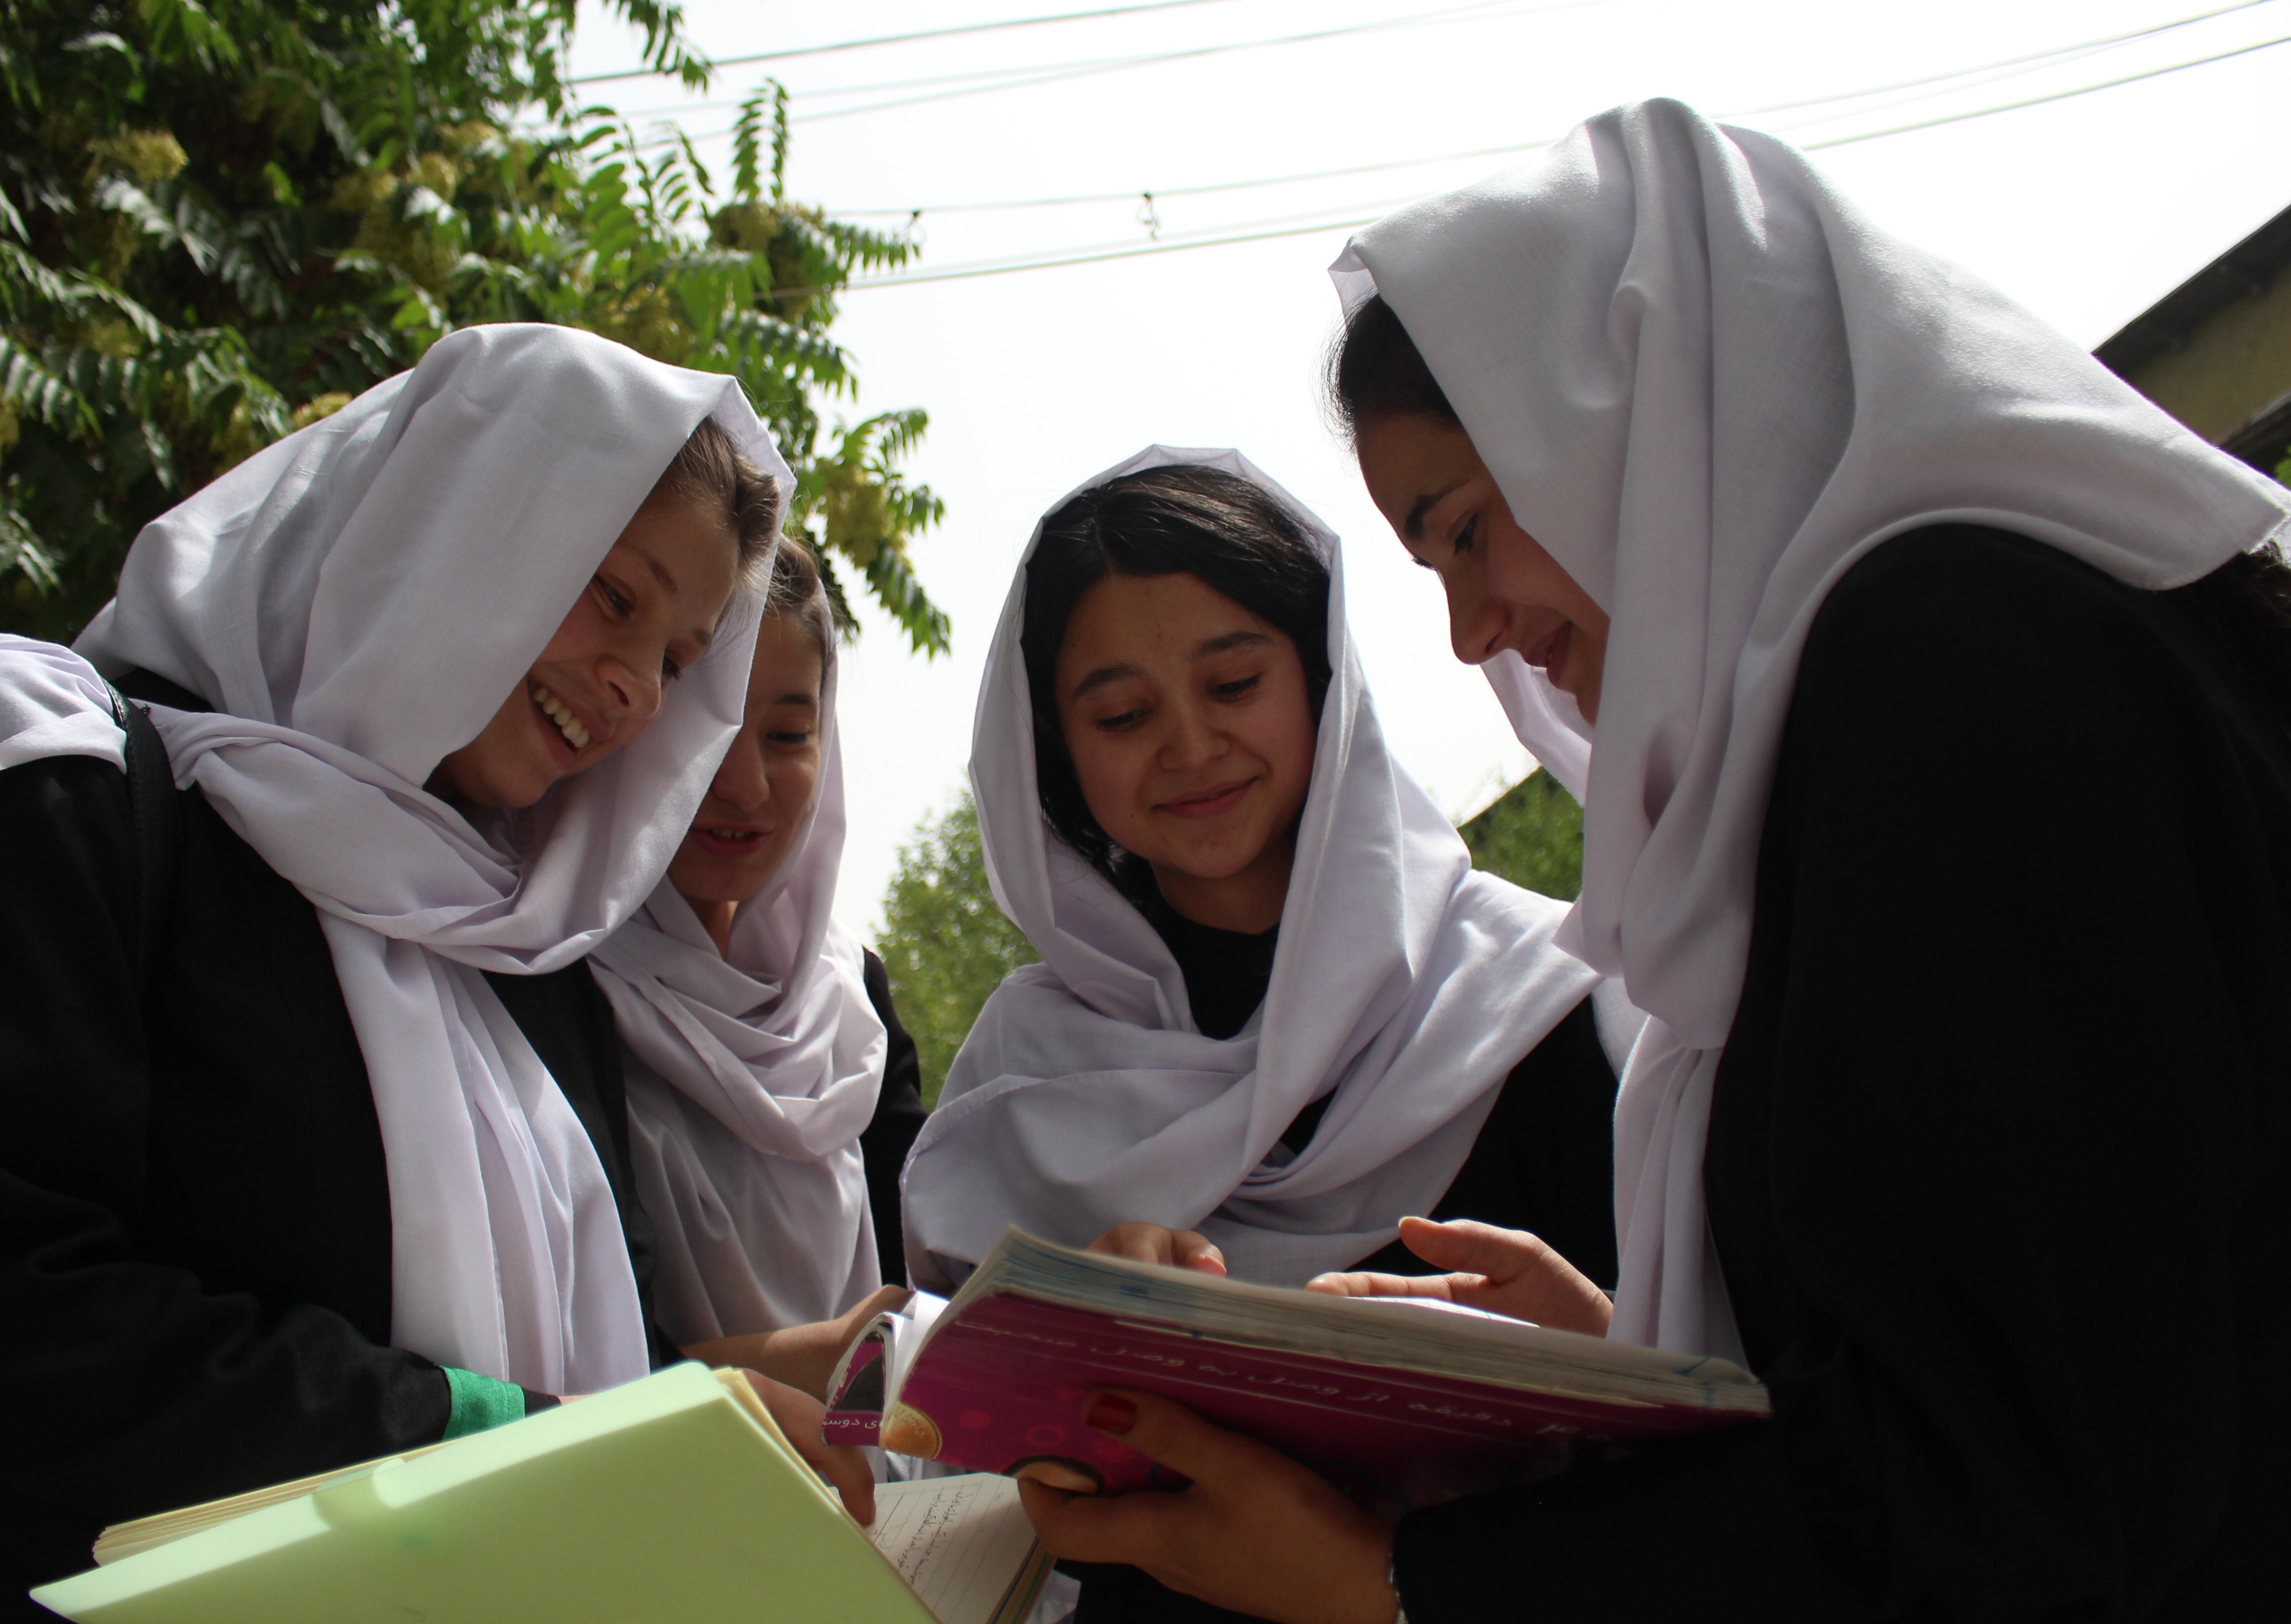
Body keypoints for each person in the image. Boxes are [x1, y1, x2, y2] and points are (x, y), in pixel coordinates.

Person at [1013, 101, 2291, 1622]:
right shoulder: (1910, 677)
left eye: (1471, 527)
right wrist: (1636, 1355)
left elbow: (2015, 1497)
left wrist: (1395, 1576)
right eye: (1432, 567)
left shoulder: (1955, 681)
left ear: (1638, 412)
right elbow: (2044, 1334)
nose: (1474, 628)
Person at [0, 324, 874, 1623]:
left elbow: (566, 1356)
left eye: (678, 661)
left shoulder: (522, 960)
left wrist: (698, 1424)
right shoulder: (46, 781)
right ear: (452, 513)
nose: (630, 690)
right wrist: (500, 1445)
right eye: (614, 594)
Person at [900, 447, 1626, 1305]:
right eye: (1124, 716)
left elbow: (1708, 1359)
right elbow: (904, 1422)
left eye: (1235, 684)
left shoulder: (1541, 994)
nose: (1192, 748)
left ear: (1325, 684)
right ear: (1056, 753)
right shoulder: (1019, 1085)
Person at [591, 538, 927, 1398]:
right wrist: (796, 1366)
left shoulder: (850, 1002)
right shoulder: (547, 984)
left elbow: (917, 1277)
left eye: (786, 734)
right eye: (700, 729)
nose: (743, 784)